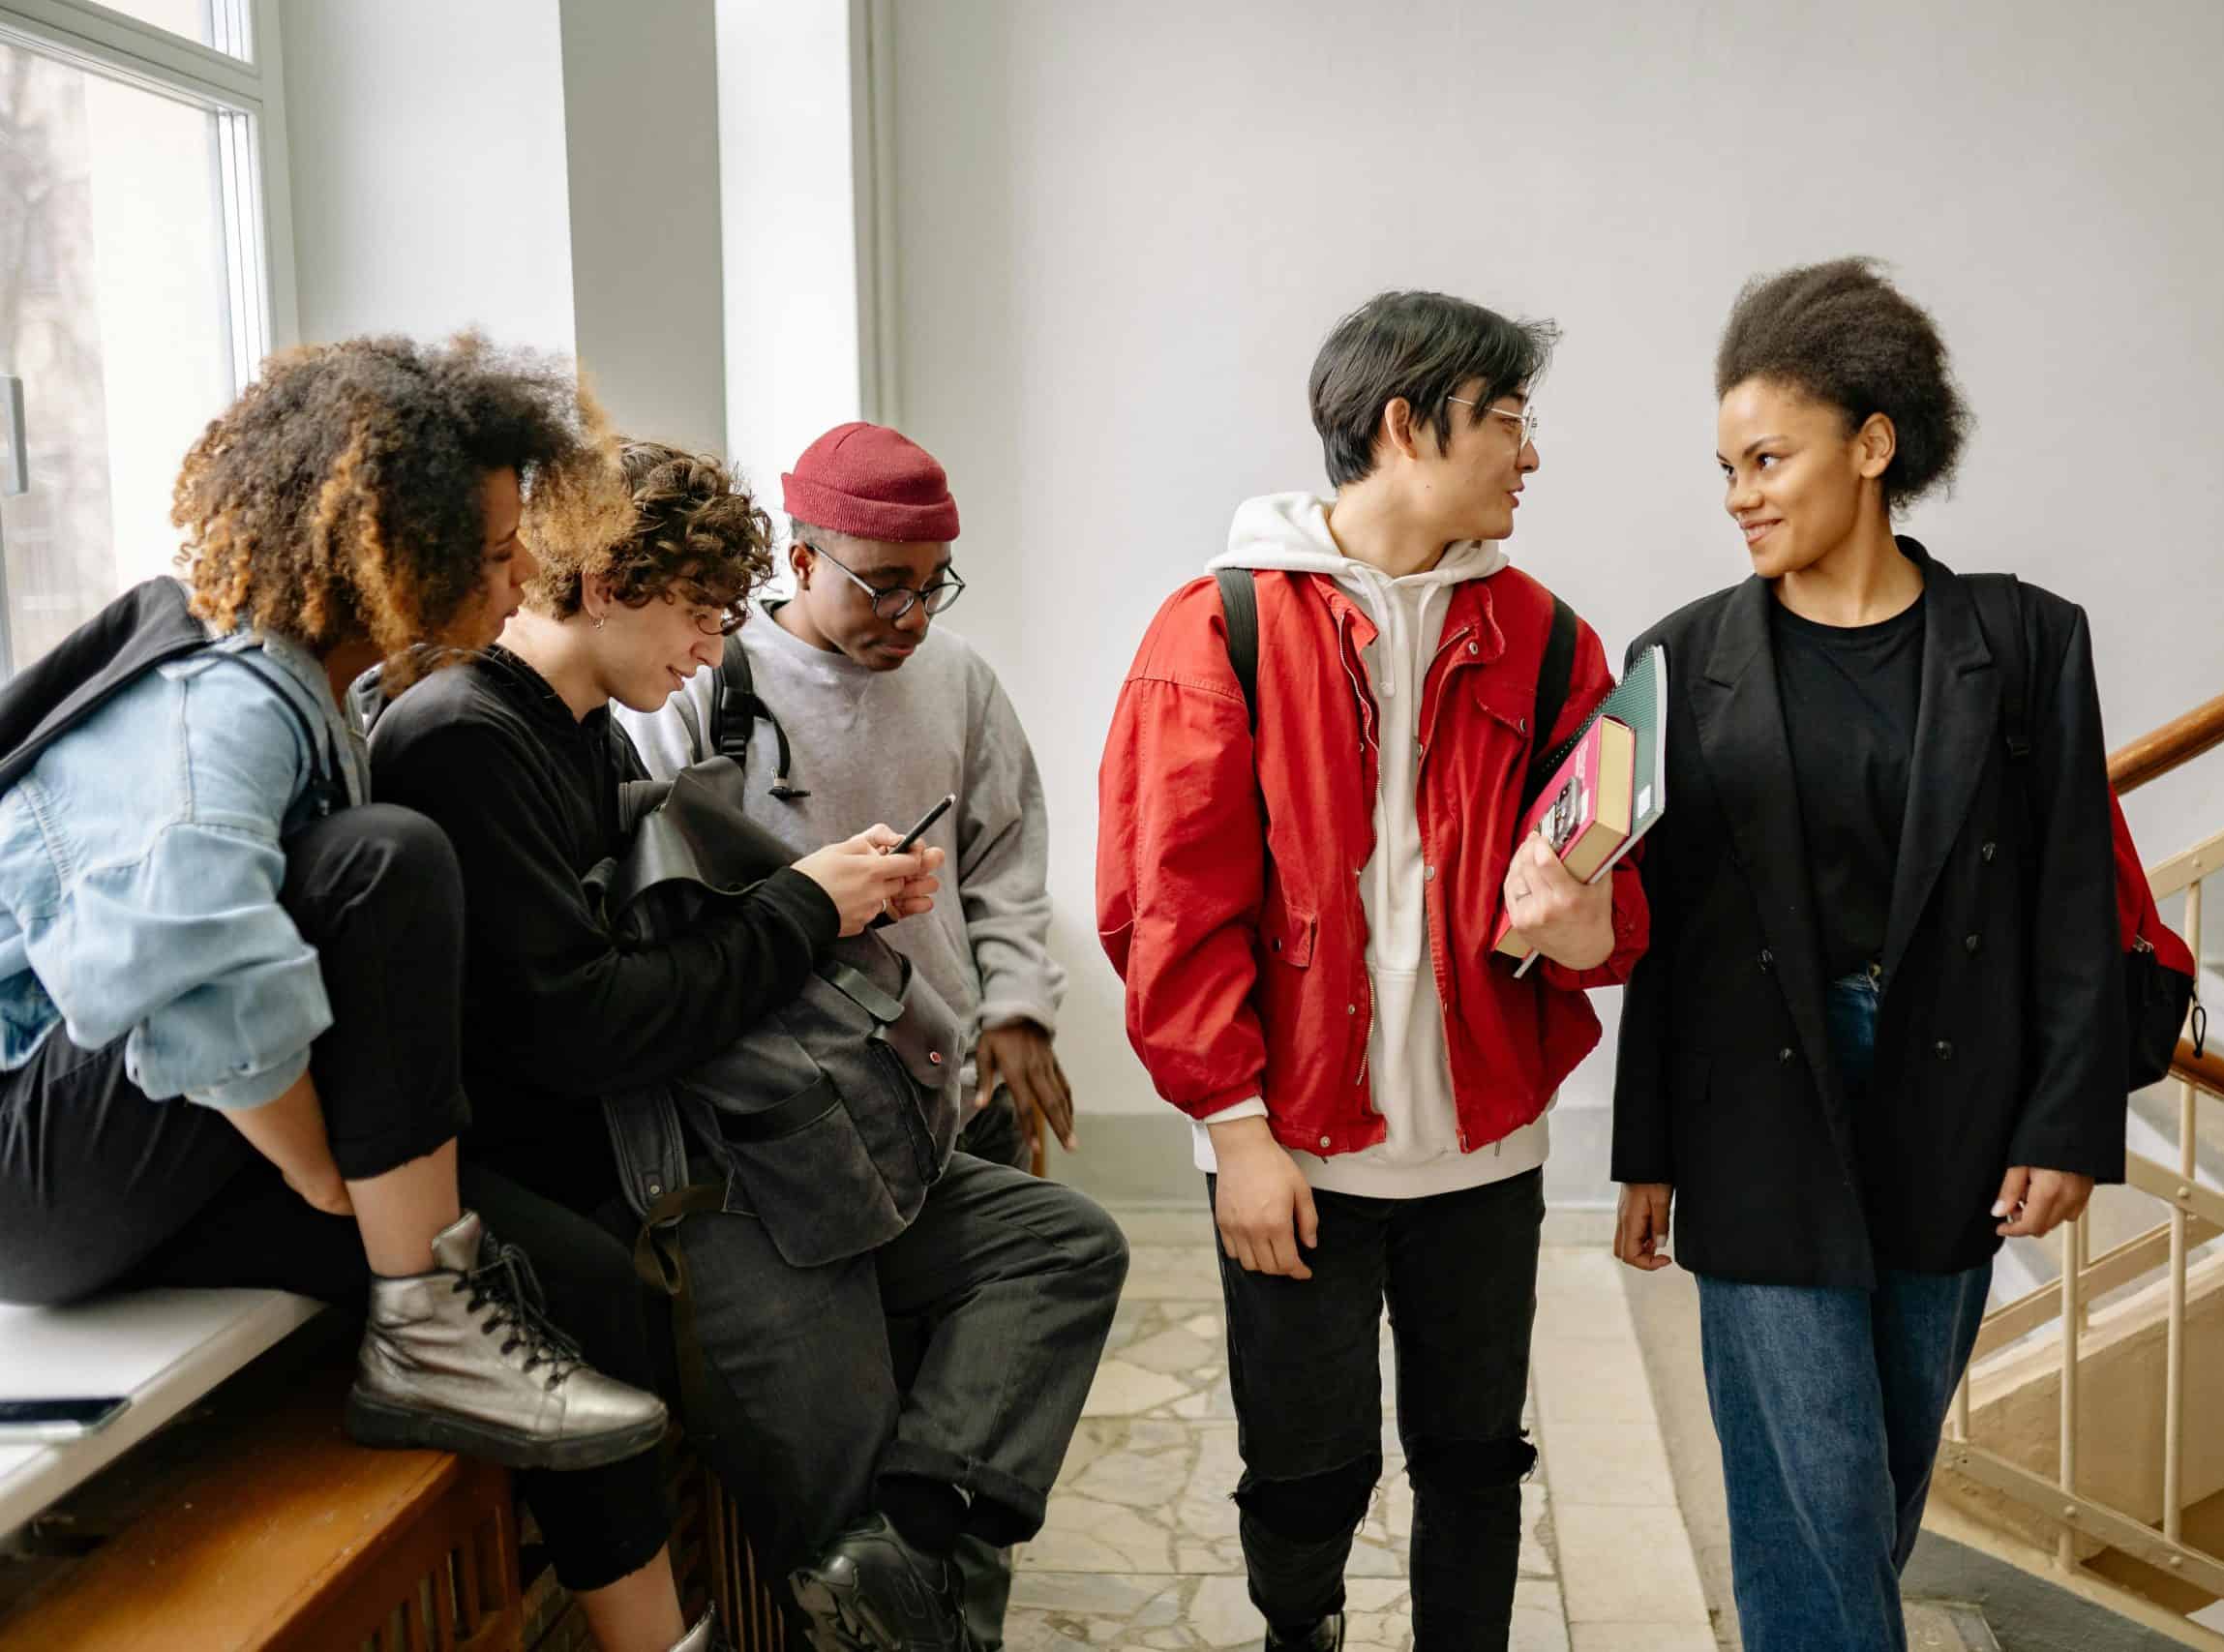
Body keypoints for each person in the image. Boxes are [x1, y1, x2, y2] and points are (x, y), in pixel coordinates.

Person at [0, 336, 730, 1652]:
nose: (520, 571)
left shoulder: (333, 691)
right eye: (494, 549)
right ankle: (427, 1322)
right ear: (393, 552)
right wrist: (333, 1178)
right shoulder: (220, 692)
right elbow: (177, 959)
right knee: (387, 858)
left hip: (152, 1131)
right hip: (35, 1163)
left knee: (571, 1281)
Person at [372, 439, 1127, 1652]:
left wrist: (825, 905)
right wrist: (806, 905)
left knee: (1061, 1246)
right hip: (687, 1193)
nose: (715, 648)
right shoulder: (463, 736)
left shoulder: (587, 731)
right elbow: (591, 1027)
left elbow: (656, 958)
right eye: (701, 612)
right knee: (847, 1526)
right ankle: (891, 1577)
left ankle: (904, 1549)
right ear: (607, 581)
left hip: (767, 1139)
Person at [1097, 290, 1649, 1652]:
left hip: (1486, 1146)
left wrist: (1580, 922)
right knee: (1304, 1468)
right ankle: (1304, 1631)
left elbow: (1611, 912)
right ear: (1407, 424)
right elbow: (1168, 911)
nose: (1530, 454)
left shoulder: (1552, 639)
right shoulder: (1218, 626)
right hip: (1290, 1143)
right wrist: (1236, 1135)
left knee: (1474, 1459)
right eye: (1507, 420)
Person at [1609, 257, 2125, 1652]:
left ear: (1874, 444)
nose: (1741, 495)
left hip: (1952, 1096)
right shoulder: (1676, 663)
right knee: (1816, 1486)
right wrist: (1646, 1148)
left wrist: (2065, 1122)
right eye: (1728, 469)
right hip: (1754, 1105)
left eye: (1768, 458)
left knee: (1874, 1474)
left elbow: (2072, 900)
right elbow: (1664, 933)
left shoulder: (2026, 642)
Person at [617, 420, 1071, 1645]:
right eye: (882, 586)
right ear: (803, 560)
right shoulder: (701, 689)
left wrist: (1019, 1008)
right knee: (876, 1434)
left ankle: (961, 1626)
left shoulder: (959, 680)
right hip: (798, 1136)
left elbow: (1008, 862)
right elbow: (664, 913)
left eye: (932, 586)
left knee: (975, 1427)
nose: (910, 616)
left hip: (957, 1098)